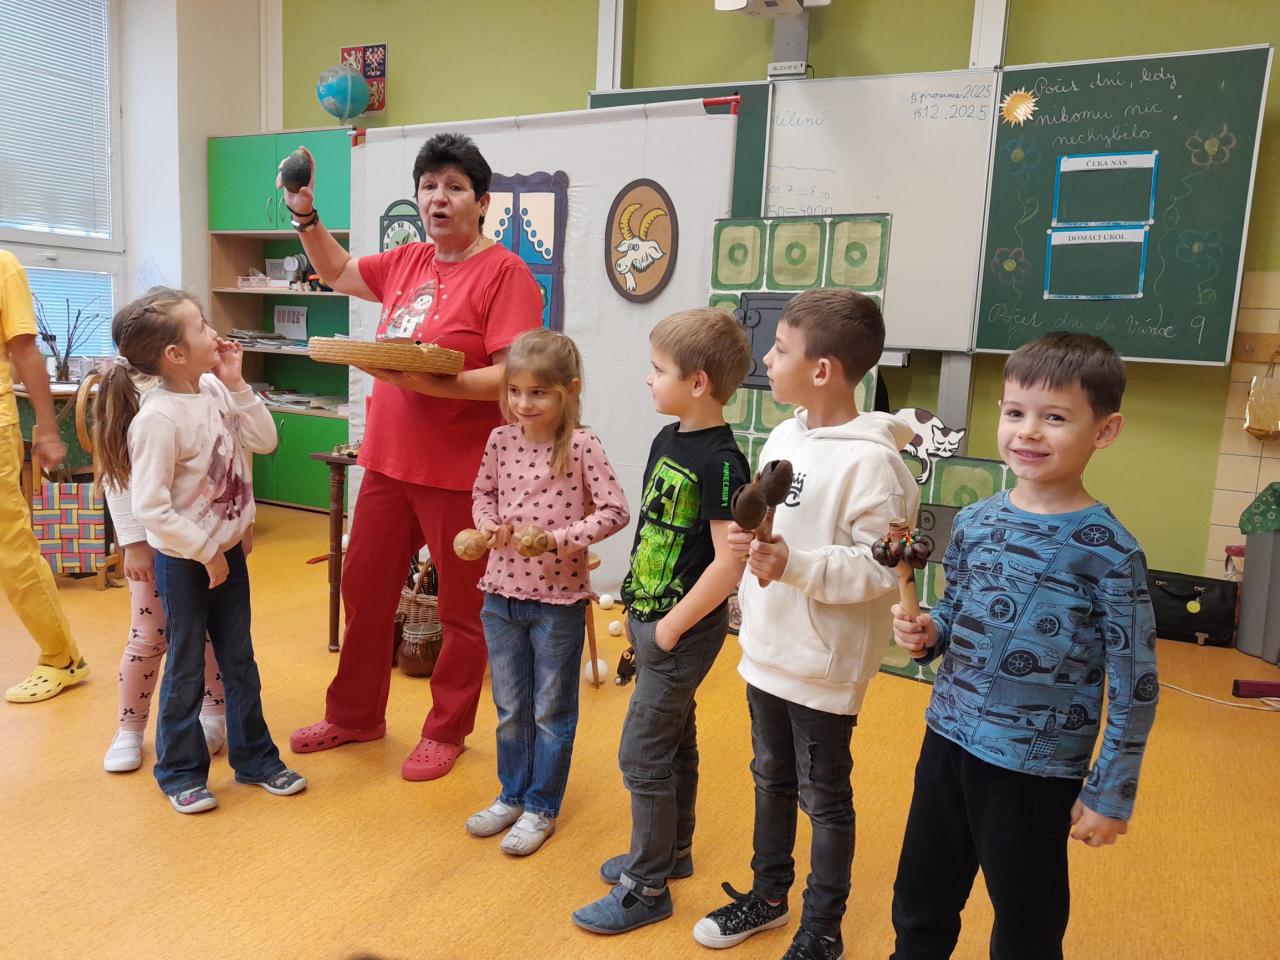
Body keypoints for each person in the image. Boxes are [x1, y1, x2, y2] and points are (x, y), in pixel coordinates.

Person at [282, 132, 544, 782]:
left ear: (481, 202)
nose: (439, 199)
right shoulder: (406, 260)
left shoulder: (506, 273)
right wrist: (304, 215)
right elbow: (339, 272)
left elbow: (515, 376)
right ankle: (354, 715)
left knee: (462, 613)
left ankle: (445, 730)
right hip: (387, 463)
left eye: (455, 188)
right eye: (429, 187)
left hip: (461, 475)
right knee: (364, 591)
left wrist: (433, 383)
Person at [888, 332, 1159, 960]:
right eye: (1015, 412)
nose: (1028, 432)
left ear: (1105, 430)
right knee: (920, 899)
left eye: (1055, 417)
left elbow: (1136, 683)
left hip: (1034, 766)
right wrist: (932, 633)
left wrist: (1111, 790)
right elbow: (955, 611)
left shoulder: (1110, 552)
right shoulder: (975, 521)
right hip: (948, 739)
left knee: (1026, 919)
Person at [692, 289, 919, 960]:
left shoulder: (876, 464)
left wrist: (795, 564)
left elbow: (882, 568)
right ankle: (768, 898)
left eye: (781, 348)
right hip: (769, 647)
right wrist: (755, 548)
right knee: (770, 776)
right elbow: (772, 520)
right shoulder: (787, 435)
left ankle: (822, 928)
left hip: (823, 663)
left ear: (822, 369)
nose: (766, 358)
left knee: (824, 798)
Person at [572, 308, 751, 935]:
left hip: (682, 630)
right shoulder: (667, 439)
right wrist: (634, 605)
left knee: (641, 752)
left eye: (658, 370)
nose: (649, 379)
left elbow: (729, 563)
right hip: (651, 618)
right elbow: (654, 533)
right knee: (674, 740)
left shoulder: (723, 462)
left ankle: (646, 889)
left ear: (697, 382)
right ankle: (673, 853)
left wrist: (671, 626)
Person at [95, 288, 305, 813]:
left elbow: (264, 441)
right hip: (185, 561)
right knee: (186, 665)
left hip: (224, 554)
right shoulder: (158, 418)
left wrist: (237, 384)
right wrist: (206, 550)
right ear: (175, 354)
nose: (215, 333)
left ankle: (256, 760)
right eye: (202, 327)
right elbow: (150, 506)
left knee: (239, 660)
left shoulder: (213, 388)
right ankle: (180, 772)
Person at [465, 329, 629, 856]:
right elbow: (483, 493)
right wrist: (486, 523)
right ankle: (512, 795)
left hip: (557, 603)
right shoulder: (500, 439)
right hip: (500, 595)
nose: (523, 403)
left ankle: (541, 806)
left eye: (537, 393)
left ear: (569, 390)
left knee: (550, 712)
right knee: (510, 706)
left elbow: (615, 511)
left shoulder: (581, 445)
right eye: (514, 391)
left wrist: (556, 539)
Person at [0, 249, 89, 703]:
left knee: (10, 547)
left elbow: (23, 350)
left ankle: (61, 657)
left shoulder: (4, 267)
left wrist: (48, 430)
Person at [101, 473, 228, 773]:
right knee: (148, 635)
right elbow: (116, 472)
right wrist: (133, 542)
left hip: (206, 534)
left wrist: (244, 523)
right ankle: (130, 727)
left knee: (204, 627)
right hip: (152, 539)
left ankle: (214, 708)